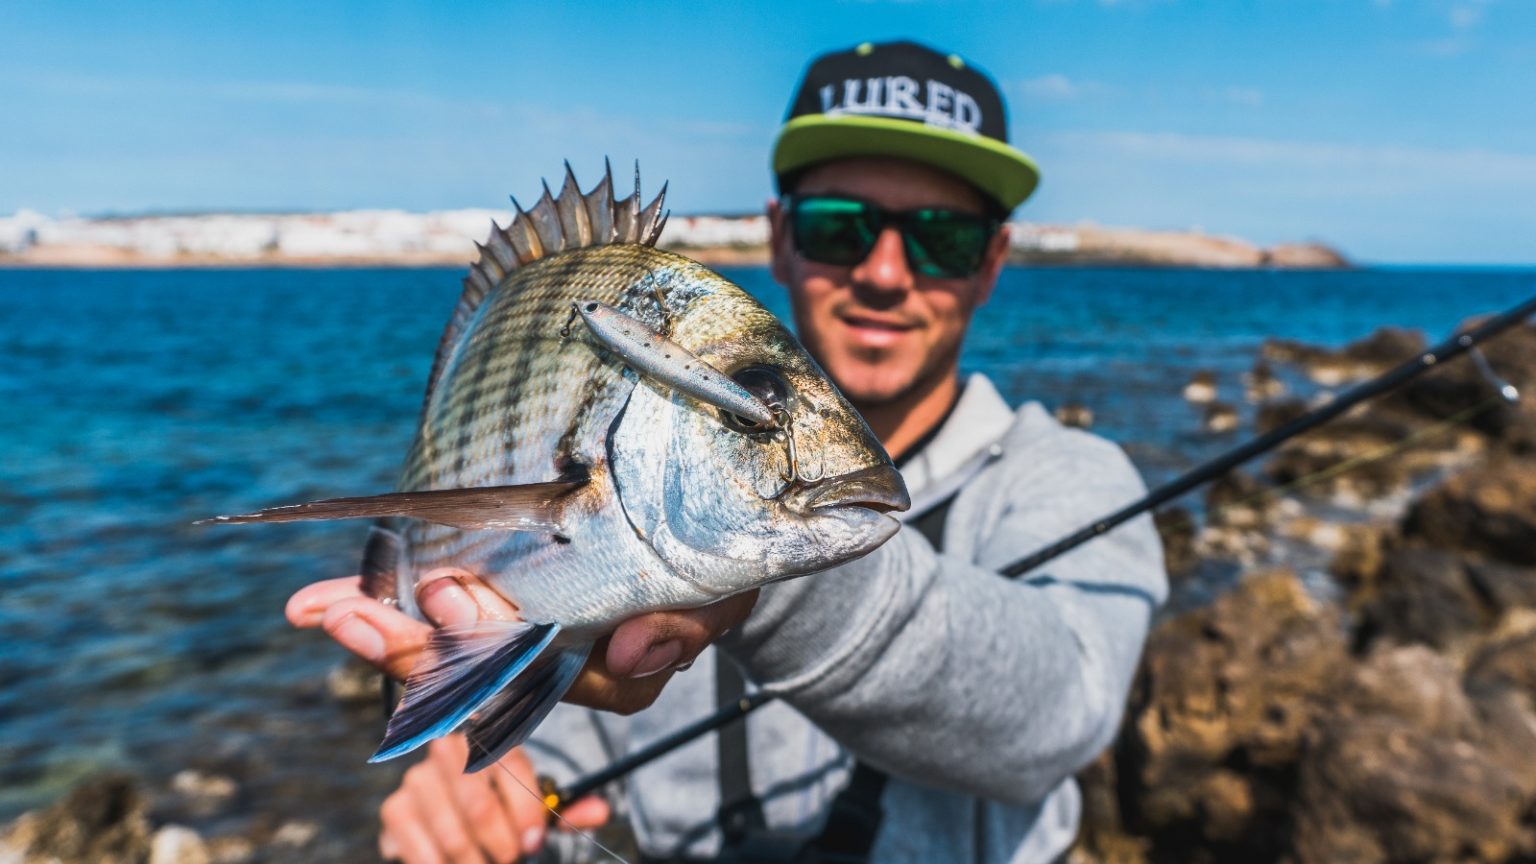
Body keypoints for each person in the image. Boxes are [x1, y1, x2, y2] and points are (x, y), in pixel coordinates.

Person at [287, 39, 1167, 864]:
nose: (887, 273)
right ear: (780, 236)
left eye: (945, 237)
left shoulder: (1070, 478)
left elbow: (1064, 713)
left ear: (993, 262)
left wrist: (759, 588)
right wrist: (496, 798)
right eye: (839, 227)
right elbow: (552, 710)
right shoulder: (633, 489)